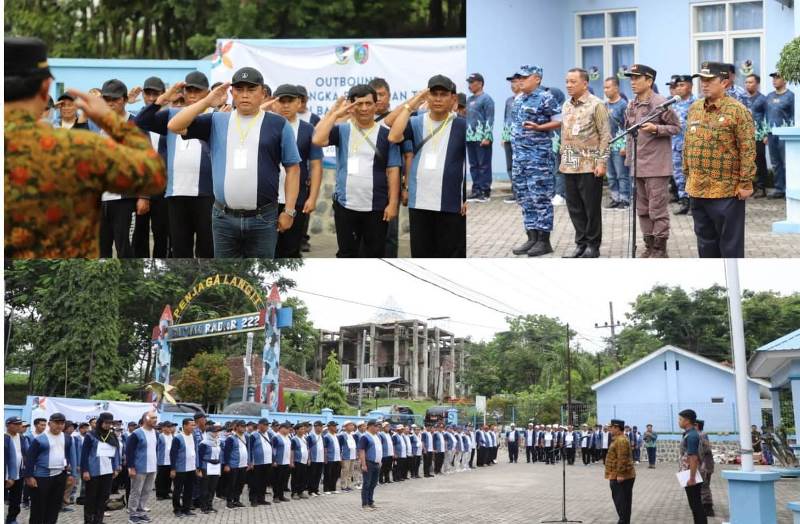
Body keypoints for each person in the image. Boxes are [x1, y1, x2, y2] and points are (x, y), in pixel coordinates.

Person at [4, 37, 165, 259]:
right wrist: (109, 121)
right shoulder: (75, 146)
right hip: (47, 278)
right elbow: (153, 173)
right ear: (45, 88)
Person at [167, 68, 301, 258]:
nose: (245, 95)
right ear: (232, 93)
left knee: (259, 274)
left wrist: (289, 211)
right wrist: (206, 101)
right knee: (226, 276)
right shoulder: (217, 120)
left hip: (263, 218)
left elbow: (293, 168)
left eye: (251, 89)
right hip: (223, 217)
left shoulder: (278, 124)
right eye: (239, 89)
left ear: (263, 93)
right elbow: (174, 125)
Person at [312, 85, 401, 257]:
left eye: (368, 103)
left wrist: (392, 204)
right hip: (345, 205)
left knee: (374, 254)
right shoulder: (342, 130)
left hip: (377, 207)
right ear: (351, 106)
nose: (364, 108)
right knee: (346, 253)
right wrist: (336, 115)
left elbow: (393, 170)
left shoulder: (387, 135)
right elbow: (317, 139)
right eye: (359, 104)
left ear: (376, 105)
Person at [134, 72, 214, 258]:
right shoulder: (172, 115)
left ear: (207, 92)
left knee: (207, 249)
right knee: (179, 250)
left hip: (207, 195)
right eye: (189, 90)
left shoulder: (214, 117)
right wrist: (163, 98)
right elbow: (141, 122)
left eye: (198, 90)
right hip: (175, 193)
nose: (192, 94)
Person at [386, 75, 467, 258]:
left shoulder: (462, 125)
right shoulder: (415, 122)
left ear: (453, 98)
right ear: (427, 97)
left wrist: (467, 197)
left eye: (443, 94)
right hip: (420, 202)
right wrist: (413, 103)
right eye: (434, 94)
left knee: (450, 256)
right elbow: (392, 133)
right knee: (422, 255)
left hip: (450, 203)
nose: (438, 99)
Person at [684, 61, 755, 258]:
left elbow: (748, 149)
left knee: (730, 247)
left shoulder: (737, 111)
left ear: (724, 83)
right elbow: (688, 144)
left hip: (726, 191)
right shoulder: (695, 108)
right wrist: (687, 175)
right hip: (697, 189)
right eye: (702, 80)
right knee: (705, 245)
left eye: (709, 80)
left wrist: (746, 183)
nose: (704, 84)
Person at [623, 64, 681, 258]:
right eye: (631, 78)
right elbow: (630, 132)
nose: (632, 82)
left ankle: (659, 248)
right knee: (642, 210)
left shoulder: (661, 103)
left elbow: (675, 127)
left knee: (657, 209)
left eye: (636, 78)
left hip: (656, 166)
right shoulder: (631, 104)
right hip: (638, 165)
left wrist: (656, 129)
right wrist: (629, 157)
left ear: (649, 81)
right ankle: (648, 245)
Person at [510, 65, 562, 257]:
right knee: (524, 198)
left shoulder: (546, 97)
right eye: (519, 77)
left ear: (537, 78)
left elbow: (559, 121)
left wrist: (540, 127)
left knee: (540, 198)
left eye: (525, 77)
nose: (520, 80)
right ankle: (531, 237)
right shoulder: (518, 99)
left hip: (537, 158)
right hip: (520, 159)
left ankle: (543, 241)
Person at [560, 68, 611, 258]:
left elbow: (605, 136)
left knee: (591, 208)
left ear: (585, 83)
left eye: (573, 81)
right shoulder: (566, 105)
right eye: (567, 81)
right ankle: (580, 243)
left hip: (590, 164)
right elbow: (565, 134)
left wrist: (602, 162)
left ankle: (593, 245)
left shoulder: (597, 105)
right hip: (569, 163)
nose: (568, 85)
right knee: (574, 207)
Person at [269, 84, 323, 258]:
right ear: (273, 103)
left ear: (299, 102)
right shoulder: (265, 125)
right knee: (267, 249)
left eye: (289, 101)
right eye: (281, 101)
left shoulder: (308, 129)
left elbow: (315, 165)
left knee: (291, 249)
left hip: (297, 199)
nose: (285, 105)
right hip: (266, 199)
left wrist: (313, 197)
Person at [23, 413, 77, 524]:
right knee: (38, 507)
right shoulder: (40, 439)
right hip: (41, 477)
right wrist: (29, 476)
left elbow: (72, 457)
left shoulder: (67, 438)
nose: (59, 425)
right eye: (57, 423)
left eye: (62, 423)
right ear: (49, 423)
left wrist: (73, 474)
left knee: (54, 506)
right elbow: (30, 458)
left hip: (60, 476)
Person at [80, 412, 119, 524]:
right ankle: (88, 520)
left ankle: (98, 520)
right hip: (93, 471)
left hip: (107, 471)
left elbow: (116, 452)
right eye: (106, 422)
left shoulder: (112, 435)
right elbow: (84, 455)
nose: (108, 425)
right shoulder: (91, 435)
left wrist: (116, 468)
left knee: (103, 497)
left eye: (110, 423)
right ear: (100, 422)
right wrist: (85, 470)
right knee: (91, 497)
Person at [668, 75, 696, 216]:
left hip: (691, 146)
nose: (679, 88)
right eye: (677, 86)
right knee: (679, 176)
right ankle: (684, 202)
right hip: (675, 146)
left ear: (690, 86)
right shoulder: (672, 104)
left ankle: (694, 204)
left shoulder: (696, 103)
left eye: (682, 85)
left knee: (691, 175)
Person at [765, 71, 795, 199]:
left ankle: (790, 189)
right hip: (772, 133)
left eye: (777, 78)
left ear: (785, 80)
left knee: (786, 161)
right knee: (775, 162)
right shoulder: (769, 96)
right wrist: (765, 133)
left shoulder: (790, 96)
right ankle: (779, 188)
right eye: (773, 78)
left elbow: (794, 115)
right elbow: (767, 116)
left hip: (784, 134)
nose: (774, 80)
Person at [465, 72, 494, 202]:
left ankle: (485, 191)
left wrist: (487, 136)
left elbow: (490, 118)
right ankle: (476, 190)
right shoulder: (469, 100)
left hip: (482, 138)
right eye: (469, 83)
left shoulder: (487, 99)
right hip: (470, 138)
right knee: (473, 165)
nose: (469, 85)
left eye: (472, 82)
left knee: (484, 165)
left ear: (480, 83)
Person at [604, 77, 630, 210]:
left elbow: (627, 127)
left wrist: (625, 145)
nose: (605, 90)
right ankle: (615, 197)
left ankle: (625, 199)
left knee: (622, 174)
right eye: (604, 87)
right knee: (611, 174)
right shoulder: (605, 105)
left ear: (616, 88)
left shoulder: (623, 105)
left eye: (608, 87)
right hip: (608, 145)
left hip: (619, 145)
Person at [678, 409, 707, 524]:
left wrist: (692, 478)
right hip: (688, 473)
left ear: (687, 421)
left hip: (691, 474)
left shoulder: (692, 436)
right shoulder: (689, 434)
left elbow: (693, 458)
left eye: (680, 419)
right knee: (694, 505)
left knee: (696, 505)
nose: (679, 422)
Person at [743, 74, 769, 197]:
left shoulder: (763, 99)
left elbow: (767, 117)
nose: (748, 84)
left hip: (758, 135)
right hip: (745, 135)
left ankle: (761, 187)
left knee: (760, 161)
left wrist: (766, 134)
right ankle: (751, 186)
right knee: (748, 162)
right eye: (746, 82)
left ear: (757, 84)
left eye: (751, 82)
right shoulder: (743, 99)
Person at [605, 419, 635, 524]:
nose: (610, 429)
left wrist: (621, 474)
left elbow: (622, 458)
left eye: (611, 427)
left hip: (621, 477)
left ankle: (623, 522)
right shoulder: (618, 439)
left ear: (617, 428)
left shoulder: (621, 440)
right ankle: (624, 521)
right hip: (618, 475)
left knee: (622, 503)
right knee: (623, 503)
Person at [169, 418, 199, 518]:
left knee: (189, 489)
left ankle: (186, 509)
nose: (193, 427)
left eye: (194, 425)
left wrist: (196, 467)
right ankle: (177, 509)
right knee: (178, 490)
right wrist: (173, 469)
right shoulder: (178, 438)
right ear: (185, 426)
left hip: (191, 468)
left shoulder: (193, 436)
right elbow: (173, 454)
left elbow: (195, 452)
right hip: (180, 468)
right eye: (192, 425)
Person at [502, 74, 522, 204]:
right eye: (511, 82)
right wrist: (504, 137)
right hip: (508, 137)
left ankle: (521, 193)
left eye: (514, 82)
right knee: (510, 166)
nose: (512, 85)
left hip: (520, 138)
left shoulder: (526, 99)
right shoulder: (509, 100)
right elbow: (506, 119)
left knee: (519, 165)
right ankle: (515, 192)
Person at [5, 416, 28, 524]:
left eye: (20, 424)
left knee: (16, 500)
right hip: (6, 474)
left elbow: (26, 454)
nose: (19, 426)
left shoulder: (22, 438)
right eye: (16, 424)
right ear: (8, 425)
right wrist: (9, 476)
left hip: (19, 473)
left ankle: (11, 519)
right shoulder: (4, 437)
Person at [222, 420, 249, 509]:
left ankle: (236, 500)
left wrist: (248, 462)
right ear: (236, 427)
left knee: (240, 483)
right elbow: (226, 452)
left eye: (244, 426)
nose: (244, 428)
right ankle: (229, 501)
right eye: (241, 426)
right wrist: (226, 464)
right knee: (231, 484)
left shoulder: (246, 437)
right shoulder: (231, 438)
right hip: (233, 465)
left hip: (243, 464)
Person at [197, 423, 222, 514]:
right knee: (205, 487)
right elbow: (199, 457)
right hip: (206, 467)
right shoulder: (203, 443)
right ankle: (203, 507)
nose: (216, 434)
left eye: (217, 432)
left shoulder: (217, 442)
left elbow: (219, 455)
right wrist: (198, 469)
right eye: (214, 432)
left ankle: (210, 505)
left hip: (215, 466)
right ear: (209, 433)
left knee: (212, 487)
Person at [358, 419, 382, 510]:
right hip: (368, 463)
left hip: (376, 463)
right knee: (367, 484)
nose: (378, 428)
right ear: (371, 426)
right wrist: (363, 464)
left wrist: (380, 460)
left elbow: (378, 449)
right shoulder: (365, 437)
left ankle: (370, 501)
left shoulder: (377, 436)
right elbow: (362, 451)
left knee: (373, 483)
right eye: (376, 426)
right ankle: (365, 504)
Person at [247, 418, 272, 506]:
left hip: (267, 462)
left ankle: (261, 498)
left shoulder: (269, 434)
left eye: (267, 425)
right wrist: (250, 462)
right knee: (255, 482)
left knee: (264, 481)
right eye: (265, 424)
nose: (266, 426)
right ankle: (253, 499)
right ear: (259, 425)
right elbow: (250, 449)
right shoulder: (253, 435)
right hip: (257, 463)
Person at [696, 420, 715, 517]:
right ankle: (704, 504)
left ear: (697, 425)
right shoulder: (700, 435)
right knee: (702, 485)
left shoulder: (701, 435)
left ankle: (708, 508)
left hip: (704, 465)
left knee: (704, 486)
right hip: (703, 464)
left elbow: (706, 450)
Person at [271, 422, 292, 503]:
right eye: (287, 428)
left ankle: (281, 495)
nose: (288, 430)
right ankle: (275, 496)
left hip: (286, 462)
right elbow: (273, 450)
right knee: (277, 480)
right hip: (278, 462)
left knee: (283, 480)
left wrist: (290, 461)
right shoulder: (276, 437)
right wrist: (274, 460)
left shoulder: (288, 437)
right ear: (281, 428)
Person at [154, 421, 174, 500]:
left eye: (171, 427)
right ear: (164, 428)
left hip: (170, 461)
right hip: (162, 460)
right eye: (168, 427)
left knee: (168, 478)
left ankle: (166, 493)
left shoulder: (172, 436)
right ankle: (159, 494)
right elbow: (156, 448)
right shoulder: (160, 436)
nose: (170, 428)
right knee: (160, 478)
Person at [289, 423, 310, 499]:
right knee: (295, 477)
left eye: (304, 429)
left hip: (304, 461)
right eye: (301, 429)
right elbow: (292, 451)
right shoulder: (294, 439)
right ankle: (294, 493)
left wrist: (309, 459)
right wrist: (291, 462)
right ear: (296, 430)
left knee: (303, 477)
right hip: (297, 461)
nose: (303, 430)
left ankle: (300, 491)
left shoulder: (305, 438)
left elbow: (307, 449)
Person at [322, 421, 342, 493]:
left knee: (335, 474)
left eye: (335, 426)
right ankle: (326, 489)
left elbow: (338, 447)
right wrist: (325, 457)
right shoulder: (327, 436)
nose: (335, 428)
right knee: (328, 474)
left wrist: (340, 457)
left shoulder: (336, 436)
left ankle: (333, 488)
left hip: (337, 458)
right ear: (329, 427)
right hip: (330, 458)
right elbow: (325, 448)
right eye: (334, 426)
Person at [306, 420, 325, 496]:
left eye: (321, 426)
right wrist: (309, 458)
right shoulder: (310, 436)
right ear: (315, 427)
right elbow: (308, 448)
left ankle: (316, 489)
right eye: (318, 426)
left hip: (320, 459)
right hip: (313, 459)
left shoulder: (322, 436)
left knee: (318, 475)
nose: (320, 428)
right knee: (312, 475)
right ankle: (311, 491)